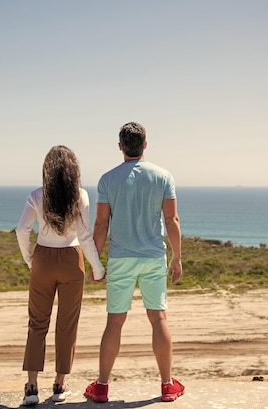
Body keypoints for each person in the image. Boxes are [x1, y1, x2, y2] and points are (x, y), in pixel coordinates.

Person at [84, 122, 185, 403]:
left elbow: (101, 225)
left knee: (114, 322)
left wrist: (95, 263)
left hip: (120, 258)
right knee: (158, 319)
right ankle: (167, 385)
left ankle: (102, 386)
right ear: (145, 145)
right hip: (153, 257)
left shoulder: (107, 180)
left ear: (120, 147)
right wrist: (176, 258)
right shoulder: (163, 176)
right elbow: (172, 220)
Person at [16, 145, 106, 406]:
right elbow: (87, 237)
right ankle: (59, 384)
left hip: (43, 258)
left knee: (37, 323)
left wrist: (30, 259)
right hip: (71, 260)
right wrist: (98, 268)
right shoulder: (81, 196)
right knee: (67, 326)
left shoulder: (36, 195)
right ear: (73, 170)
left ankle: (31, 387)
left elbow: (22, 230)